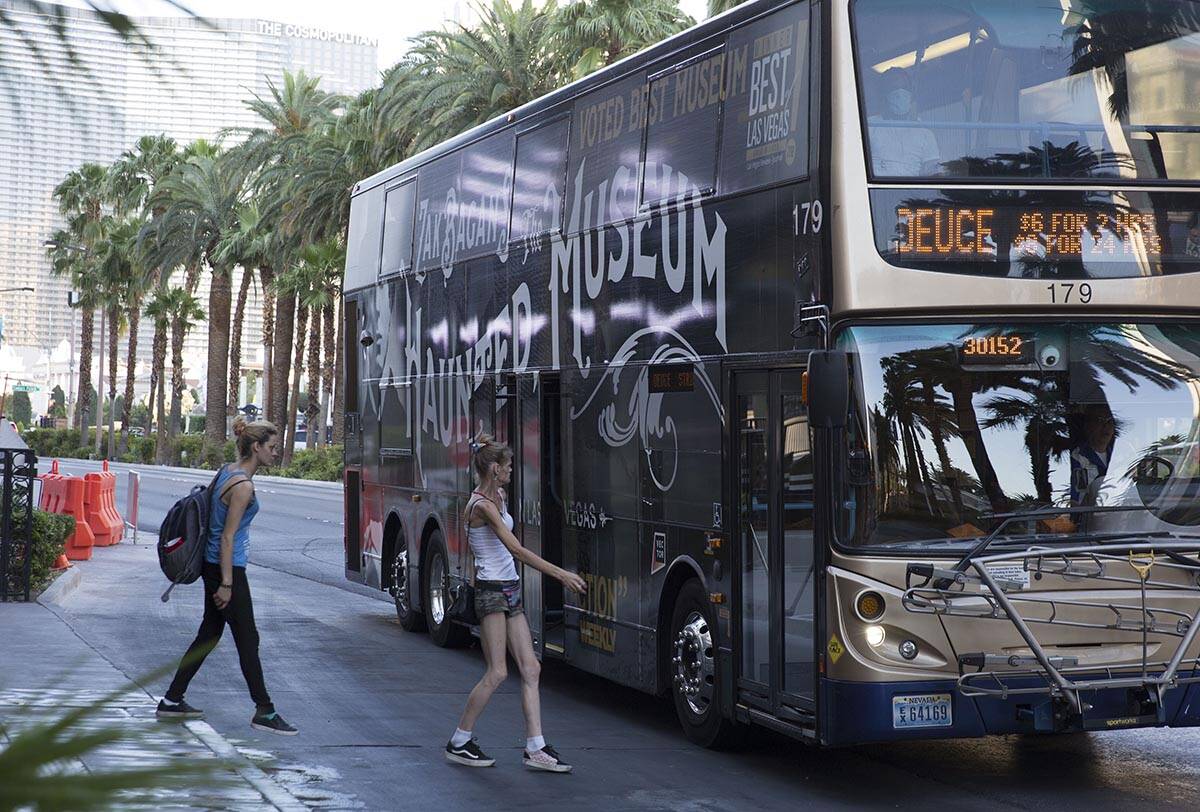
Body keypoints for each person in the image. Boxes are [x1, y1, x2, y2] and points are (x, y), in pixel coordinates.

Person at [445, 433, 587, 772]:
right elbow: (517, 550)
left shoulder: (498, 497)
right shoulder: (481, 506)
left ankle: (535, 748)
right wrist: (561, 575)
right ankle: (459, 741)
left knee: (531, 668)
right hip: (492, 592)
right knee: (497, 672)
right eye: (507, 466)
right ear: (495, 469)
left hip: (510, 589)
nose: (512, 471)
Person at [157, 416, 297, 736]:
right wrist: (227, 583)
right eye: (272, 447)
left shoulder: (227, 472)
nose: (276, 453)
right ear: (256, 447)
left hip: (212, 565)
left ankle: (172, 699)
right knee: (248, 638)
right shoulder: (243, 486)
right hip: (227, 568)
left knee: (209, 634)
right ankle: (265, 709)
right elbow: (227, 537)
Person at [868, 67, 942, 177]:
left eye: (904, 88)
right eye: (893, 88)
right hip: (875, 191)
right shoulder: (869, 126)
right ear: (883, 94)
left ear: (912, 95)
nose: (900, 93)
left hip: (911, 193)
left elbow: (934, 172)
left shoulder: (925, 134)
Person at [1070, 404, 1116, 507]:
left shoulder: (1120, 453)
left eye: (1110, 421)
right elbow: (1076, 501)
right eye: (1100, 421)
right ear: (1088, 426)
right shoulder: (1078, 457)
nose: (1106, 426)